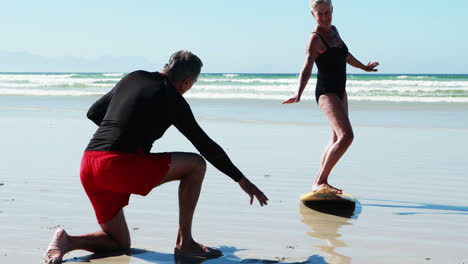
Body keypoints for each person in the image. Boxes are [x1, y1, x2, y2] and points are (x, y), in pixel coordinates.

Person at [43, 50, 269, 264]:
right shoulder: (173, 97)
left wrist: (126, 131)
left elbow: (93, 112)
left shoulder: (133, 77)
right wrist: (241, 180)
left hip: (89, 164)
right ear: (187, 83)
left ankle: (67, 241)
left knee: (119, 243)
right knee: (196, 165)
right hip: (117, 165)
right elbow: (204, 145)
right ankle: (185, 243)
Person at [283, 0, 379, 194]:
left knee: (336, 136)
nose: (325, 17)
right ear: (313, 15)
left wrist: (364, 67)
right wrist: (298, 93)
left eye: (328, 12)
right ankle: (320, 181)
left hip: (340, 91)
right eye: (320, 14)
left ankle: (319, 180)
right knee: (346, 136)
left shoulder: (335, 31)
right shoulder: (315, 39)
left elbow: (345, 55)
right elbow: (307, 66)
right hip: (326, 92)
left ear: (332, 11)